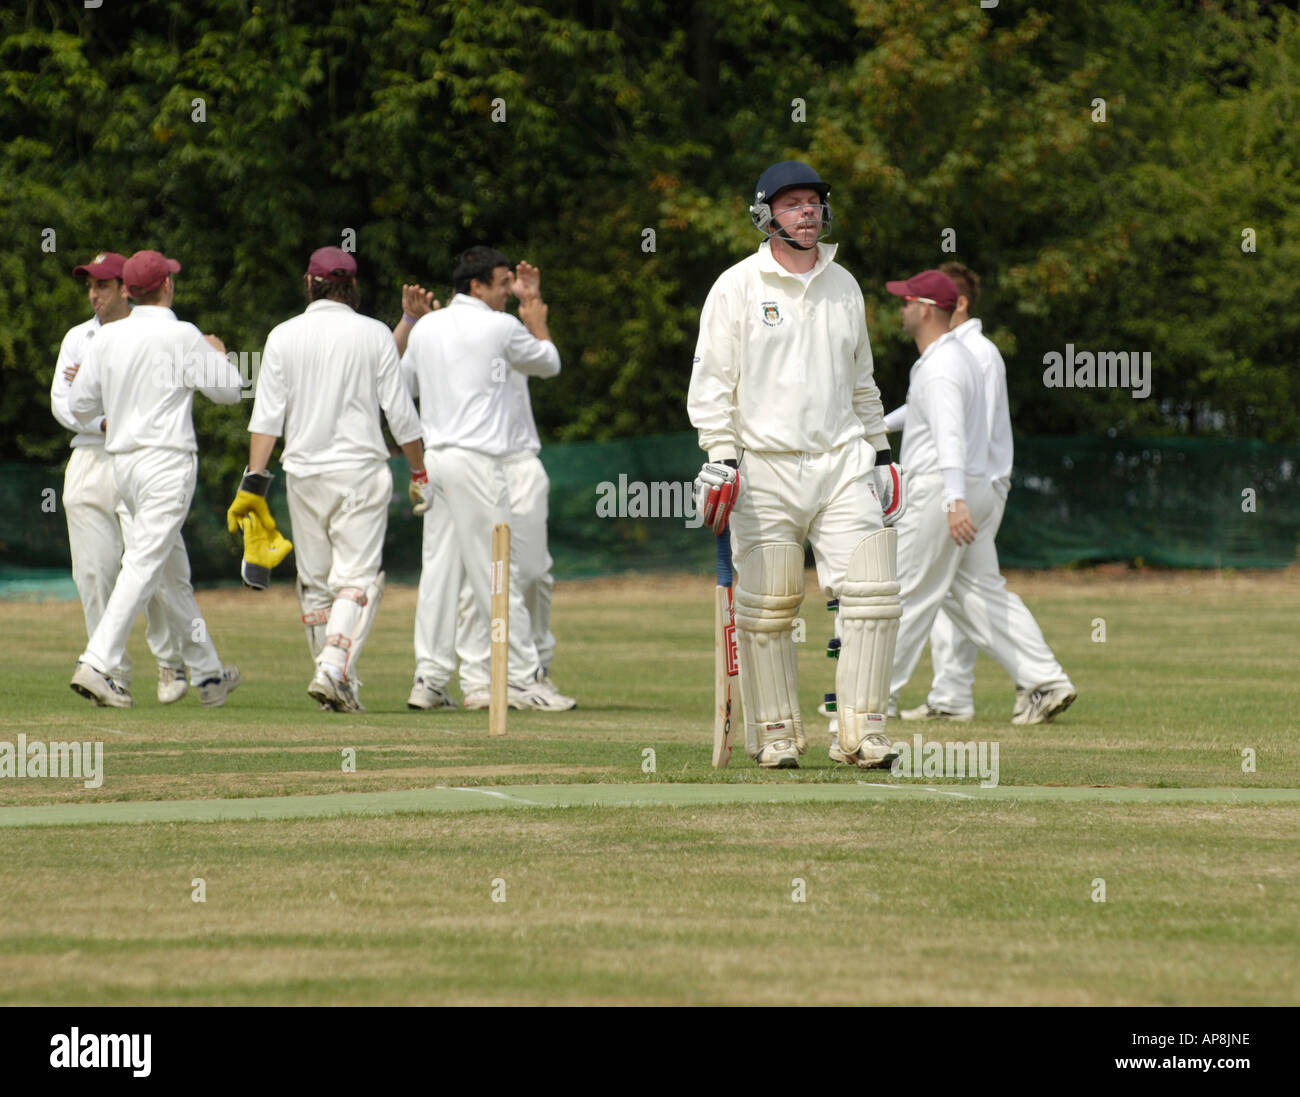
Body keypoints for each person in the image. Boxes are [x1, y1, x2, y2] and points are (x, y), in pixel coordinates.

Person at [687, 161, 905, 770]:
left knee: (874, 592)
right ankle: (775, 733)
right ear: (766, 215)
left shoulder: (844, 285)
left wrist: (883, 455)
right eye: (792, 204)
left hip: (841, 463)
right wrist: (720, 455)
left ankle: (862, 732)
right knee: (769, 604)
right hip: (764, 466)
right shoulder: (737, 286)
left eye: (812, 203)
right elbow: (712, 383)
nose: (806, 213)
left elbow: (863, 383)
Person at [231, 246, 429, 713]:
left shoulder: (283, 335)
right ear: (353, 286)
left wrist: (253, 481)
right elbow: (401, 415)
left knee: (317, 584)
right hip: (360, 470)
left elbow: (267, 419)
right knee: (358, 580)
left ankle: (339, 682)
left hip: (303, 474)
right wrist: (419, 471)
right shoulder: (374, 333)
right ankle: (332, 668)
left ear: (309, 283)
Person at [883, 268, 1076, 724]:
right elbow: (930, 411)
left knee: (914, 591)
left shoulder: (973, 354)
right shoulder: (959, 353)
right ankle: (1036, 681)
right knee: (971, 591)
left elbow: (961, 430)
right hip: (968, 485)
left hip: (967, 485)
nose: (903, 307)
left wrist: (957, 495)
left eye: (909, 300)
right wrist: (877, 424)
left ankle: (871, 700)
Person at [399, 246, 575, 711]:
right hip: (479, 463)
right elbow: (549, 363)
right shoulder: (502, 326)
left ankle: (429, 678)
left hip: (436, 460)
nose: (508, 291)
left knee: (440, 572)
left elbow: (402, 388)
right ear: (476, 285)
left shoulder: (427, 327)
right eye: (501, 283)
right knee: (496, 569)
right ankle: (519, 677)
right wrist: (536, 319)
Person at [67, 250, 242, 707]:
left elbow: (80, 407)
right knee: (144, 565)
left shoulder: (107, 340)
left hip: (123, 465)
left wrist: (115, 399)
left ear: (129, 290)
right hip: (166, 464)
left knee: (169, 573)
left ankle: (207, 674)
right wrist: (219, 355)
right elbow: (228, 393)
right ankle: (97, 663)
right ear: (165, 286)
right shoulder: (181, 334)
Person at [51, 251, 189, 705]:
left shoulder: (160, 332)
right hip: (91, 460)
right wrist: (109, 422)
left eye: (103, 287)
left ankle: (170, 662)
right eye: (90, 287)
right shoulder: (78, 338)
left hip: (141, 460)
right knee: (94, 573)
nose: (94, 296)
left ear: (127, 289)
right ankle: (110, 673)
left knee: (154, 568)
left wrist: (110, 409)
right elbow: (64, 403)